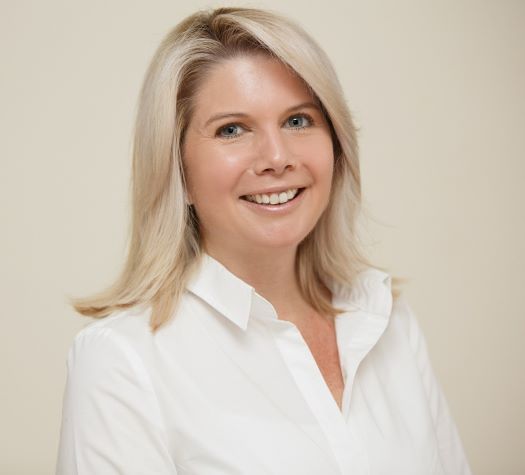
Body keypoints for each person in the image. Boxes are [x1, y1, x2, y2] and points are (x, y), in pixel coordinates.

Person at [56, 7, 472, 474]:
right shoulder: (121, 361)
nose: (276, 157)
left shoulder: (388, 322)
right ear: (178, 173)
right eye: (232, 129)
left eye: (298, 121)